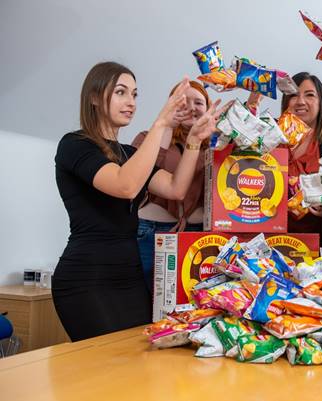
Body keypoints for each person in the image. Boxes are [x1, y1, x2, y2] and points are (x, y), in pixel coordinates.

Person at [52, 61, 224, 341]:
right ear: (94, 97)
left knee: (138, 362)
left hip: (128, 275)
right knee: (103, 368)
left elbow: (175, 187)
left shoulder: (131, 153)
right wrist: (161, 123)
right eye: (121, 92)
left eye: (134, 94)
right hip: (86, 277)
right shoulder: (74, 144)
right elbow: (126, 185)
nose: (130, 102)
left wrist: (193, 140)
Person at [132, 81, 211, 292]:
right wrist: (168, 124)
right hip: (152, 233)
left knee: (189, 305)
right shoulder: (147, 138)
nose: (192, 108)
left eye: (199, 102)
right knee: (144, 301)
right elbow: (144, 173)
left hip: (198, 235)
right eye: (184, 102)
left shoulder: (215, 147)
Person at [280, 72, 322, 237]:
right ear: (286, 102)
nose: (300, 101)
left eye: (310, 95)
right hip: (272, 240)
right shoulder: (271, 143)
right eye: (293, 95)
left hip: (320, 242)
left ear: (321, 104)